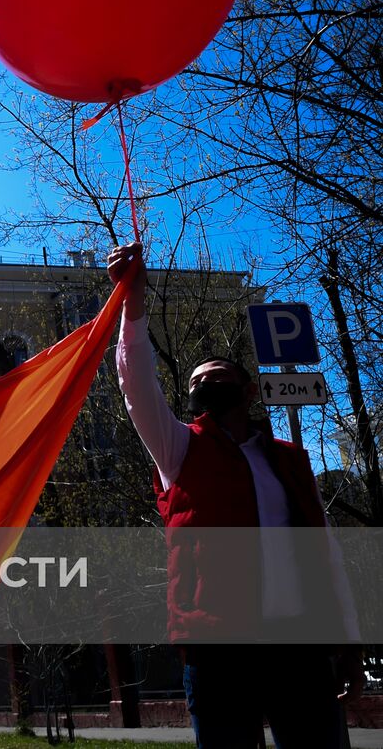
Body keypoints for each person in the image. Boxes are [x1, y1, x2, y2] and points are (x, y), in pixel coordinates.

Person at [108, 243, 364, 749]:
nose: (205, 382)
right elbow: (135, 382)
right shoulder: (179, 448)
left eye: (217, 375)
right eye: (197, 380)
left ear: (248, 392)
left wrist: (349, 643)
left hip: (300, 646)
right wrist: (132, 300)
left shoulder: (290, 460)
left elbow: (326, 552)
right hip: (218, 652)